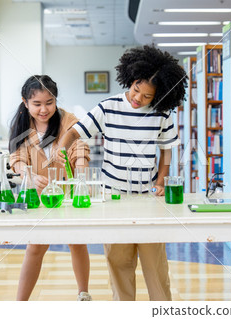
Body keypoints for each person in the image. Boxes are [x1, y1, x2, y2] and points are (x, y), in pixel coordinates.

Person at [55, 45, 187, 300]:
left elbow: (167, 151)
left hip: (147, 199)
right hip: (113, 198)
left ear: (158, 96)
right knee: (119, 265)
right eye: (136, 89)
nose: (138, 98)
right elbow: (74, 132)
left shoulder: (162, 113)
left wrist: (161, 182)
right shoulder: (107, 107)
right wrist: (61, 150)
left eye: (147, 96)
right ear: (131, 78)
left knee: (155, 268)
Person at [9, 75, 92, 301]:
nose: (44, 109)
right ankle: (20, 303)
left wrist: (81, 181)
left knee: (77, 243)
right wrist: (29, 176)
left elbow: (80, 150)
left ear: (55, 100)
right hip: (38, 195)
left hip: (68, 193)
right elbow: (16, 158)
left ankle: (83, 294)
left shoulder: (68, 120)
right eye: (37, 104)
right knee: (35, 247)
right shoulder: (21, 124)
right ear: (25, 102)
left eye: (49, 102)